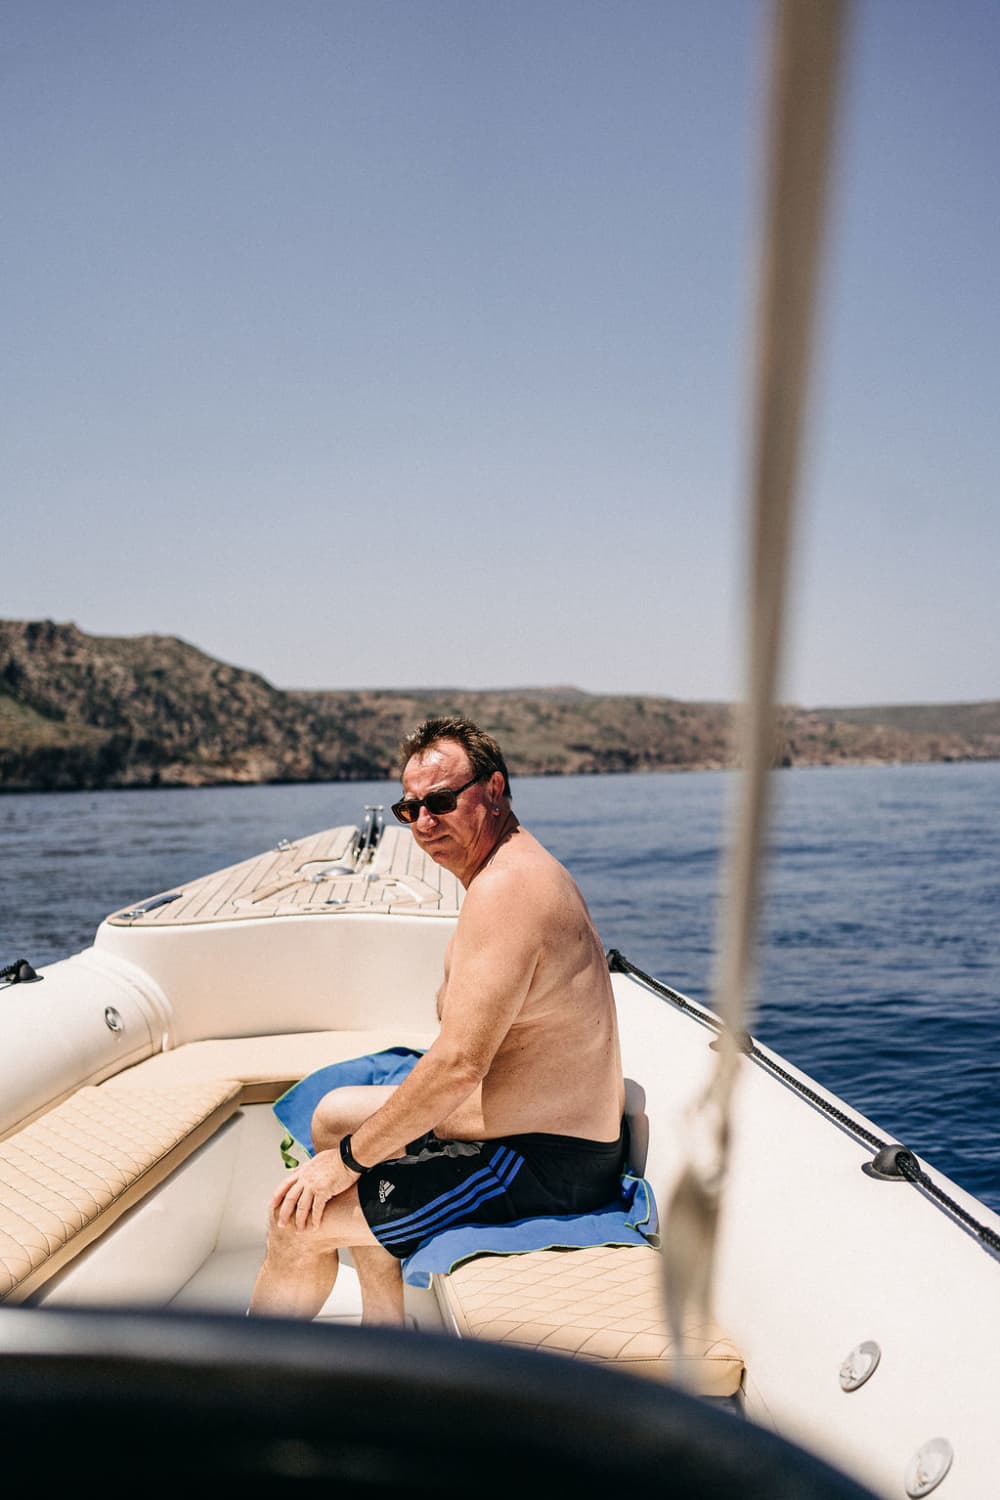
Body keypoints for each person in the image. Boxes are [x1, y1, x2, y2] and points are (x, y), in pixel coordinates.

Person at [249, 716, 626, 1324]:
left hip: (542, 1166)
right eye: (410, 809)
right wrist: (348, 1147)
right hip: (523, 1126)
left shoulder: (508, 890)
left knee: (297, 1221)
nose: (424, 823)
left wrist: (345, 1164)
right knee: (334, 1115)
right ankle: (386, 1325)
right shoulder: (506, 873)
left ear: (495, 791)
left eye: (443, 802)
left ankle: (237, 1391)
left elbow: (457, 1066)